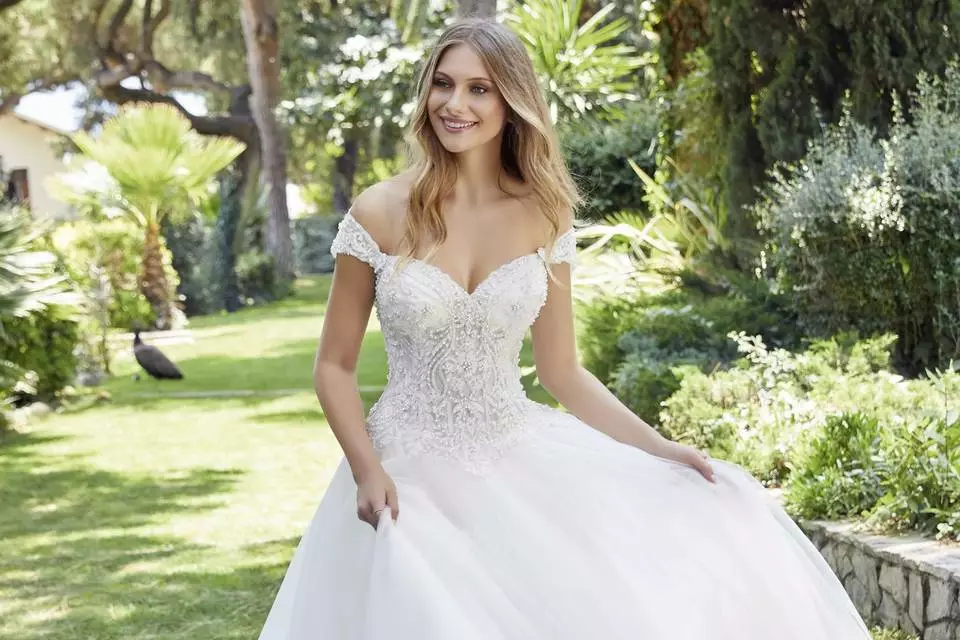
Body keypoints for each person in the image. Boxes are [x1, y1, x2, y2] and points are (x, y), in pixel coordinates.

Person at [258, 18, 872, 640]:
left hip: (515, 456)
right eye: (443, 84)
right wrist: (367, 469)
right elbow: (333, 366)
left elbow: (562, 373)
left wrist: (660, 449)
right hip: (403, 469)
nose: (455, 103)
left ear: (512, 103)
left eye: (479, 89)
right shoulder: (380, 211)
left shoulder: (544, 217)